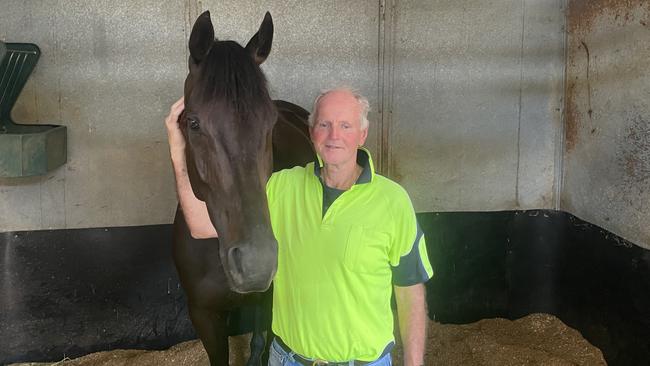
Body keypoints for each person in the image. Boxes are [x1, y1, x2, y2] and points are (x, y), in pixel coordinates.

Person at [165, 87, 433, 366]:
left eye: (345, 125)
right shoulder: (283, 188)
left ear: (362, 135)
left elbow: (410, 289)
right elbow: (198, 225)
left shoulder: (393, 202)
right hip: (289, 360)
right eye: (324, 125)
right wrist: (177, 151)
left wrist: (414, 363)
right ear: (311, 132)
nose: (334, 136)